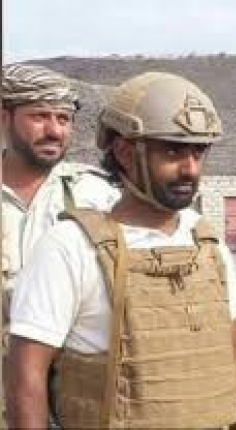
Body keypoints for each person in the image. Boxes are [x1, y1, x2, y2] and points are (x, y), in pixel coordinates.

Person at [6, 71, 236, 429]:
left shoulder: (206, 245)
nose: (190, 169)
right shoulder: (71, 245)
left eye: (198, 152)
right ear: (124, 152)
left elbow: (232, 360)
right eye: (172, 151)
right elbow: (27, 373)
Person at [1, 63, 120, 425]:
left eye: (63, 118)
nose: (54, 130)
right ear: (4, 118)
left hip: (71, 389)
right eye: (39, 116)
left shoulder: (96, 197)